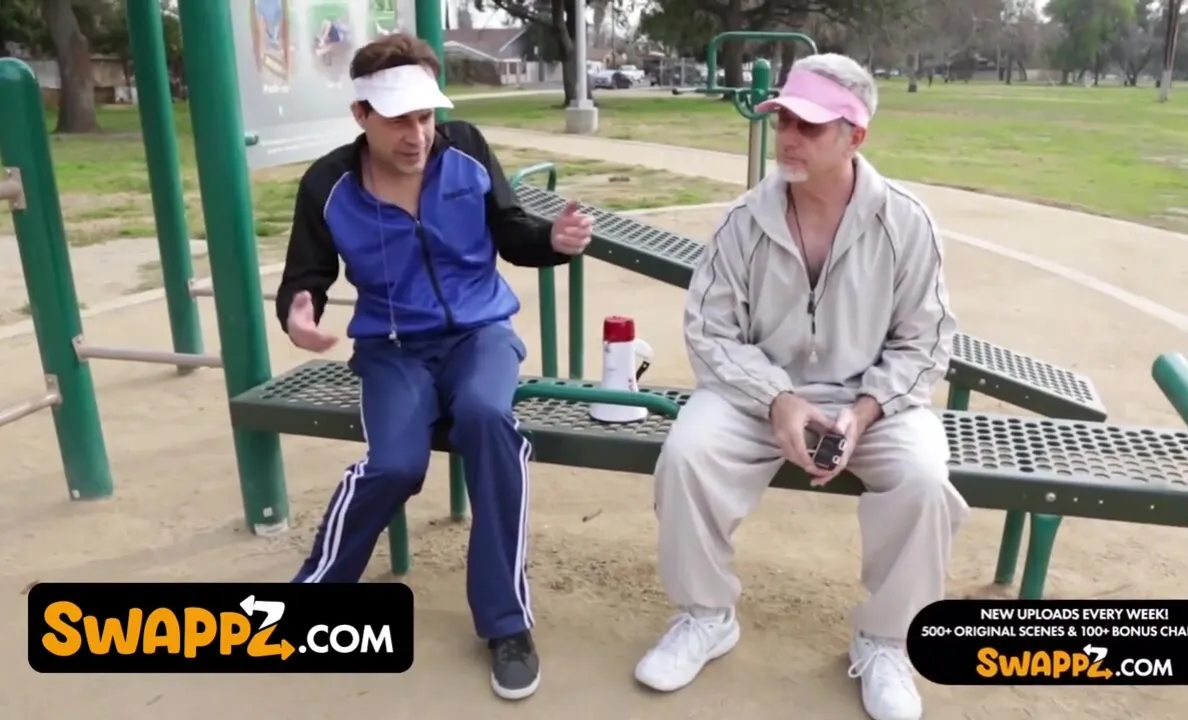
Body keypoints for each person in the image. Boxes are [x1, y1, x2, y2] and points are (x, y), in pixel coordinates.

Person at [632, 53, 968, 720]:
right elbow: (710, 331)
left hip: (874, 401)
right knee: (688, 455)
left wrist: (865, 411)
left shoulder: (906, 222)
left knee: (926, 480)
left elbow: (925, 343)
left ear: (855, 136)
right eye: (783, 119)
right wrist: (778, 399)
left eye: (809, 126)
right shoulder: (742, 220)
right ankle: (706, 614)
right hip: (758, 395)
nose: (788, 137)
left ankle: (885, 641)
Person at [274, 32, 593, 701]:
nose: (417, 135)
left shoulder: (466, 149)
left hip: (480, 336)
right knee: (396, 464)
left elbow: (512, 232)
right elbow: (306, 275)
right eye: (399, 120)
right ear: (362, 115)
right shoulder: (328, 183)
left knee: (485, 419)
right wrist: (299, 313)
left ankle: (506, 623)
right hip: (392, 349)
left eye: (425, 116)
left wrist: (554, 241)